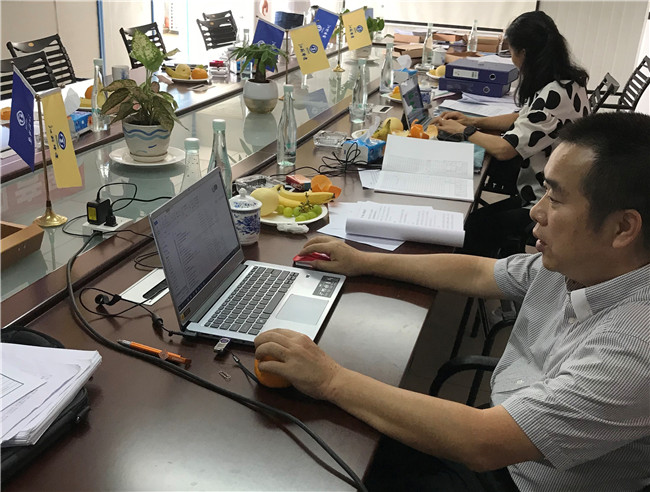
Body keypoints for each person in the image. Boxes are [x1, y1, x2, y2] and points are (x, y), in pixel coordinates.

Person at [255, 112, 650, 491]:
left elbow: (482, 443)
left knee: (319, 450)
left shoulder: (634, 346)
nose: (536, 210)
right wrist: (364, 261)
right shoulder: (580, 263)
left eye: (557, 198)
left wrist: (329, 379)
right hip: (499, 434)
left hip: (511, 473)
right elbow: (478, 273)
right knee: (324, 429)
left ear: (622, 228)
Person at [432, 11, 590, 258]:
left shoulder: (554, 95)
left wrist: (465, 131)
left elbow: (505, 149)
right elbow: (522, 118)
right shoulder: (563, 82)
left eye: (511, 51)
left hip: (548, 200)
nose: (512, 58)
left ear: (524, 53)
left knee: (473, 226)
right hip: (548, 187)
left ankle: (486, 271)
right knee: (478, 199)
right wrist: (472, 120)